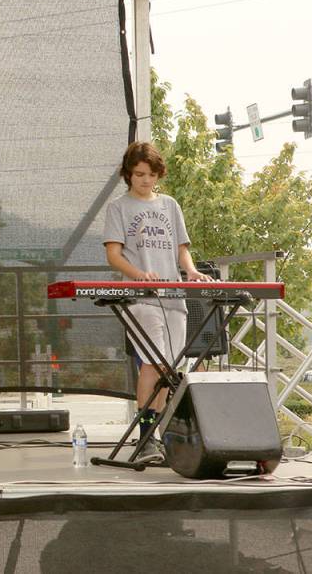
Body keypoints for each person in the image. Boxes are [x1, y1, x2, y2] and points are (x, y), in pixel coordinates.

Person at [103, 141, 211, 463]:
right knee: (155, 363)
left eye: (150, 174)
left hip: (175, 298)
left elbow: (182, 250)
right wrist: (139, 275)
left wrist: (191, 271)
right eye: (138, 174)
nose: (145, 180)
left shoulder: (170, 205)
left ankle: (160, 436)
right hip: (142, 298)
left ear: (157, 174)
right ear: (128, 175)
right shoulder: (118, 208)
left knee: (170, 368)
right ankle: (146, 437)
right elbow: (113, 255)